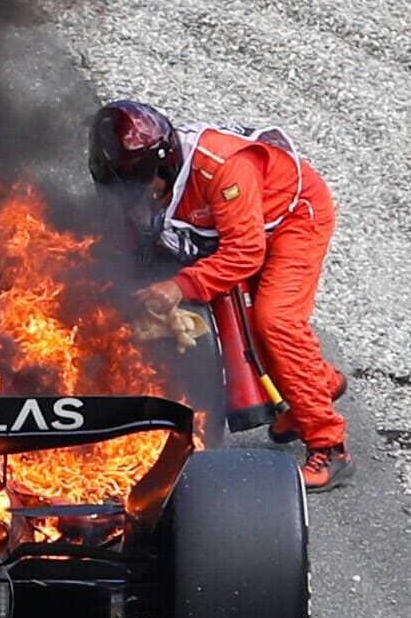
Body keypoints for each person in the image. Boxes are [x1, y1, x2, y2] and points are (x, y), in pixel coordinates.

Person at [87, 99, 352, 492]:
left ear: (163, 167)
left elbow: (244, 253)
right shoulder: (142, 177)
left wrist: (178, 287)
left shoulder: (222, 168)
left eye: (139, 188)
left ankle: (330, 446)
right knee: (251, 326)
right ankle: (317, 385)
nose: (135, 198)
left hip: (293, 218)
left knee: (275, 320)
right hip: (242, 228)